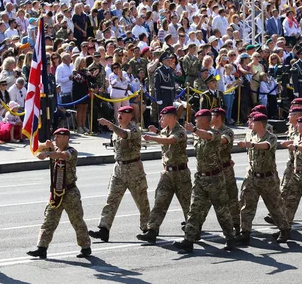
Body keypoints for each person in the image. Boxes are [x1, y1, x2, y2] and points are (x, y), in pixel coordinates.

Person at [173, 109, 235, 253]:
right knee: (194, 209)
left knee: (222, 210)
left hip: (215, 179)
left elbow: (209, 136)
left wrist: (194, 130)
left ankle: (230, 237)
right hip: (201, 178)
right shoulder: (197, 135)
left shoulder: (215, 133)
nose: (195, 121)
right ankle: (189, 240)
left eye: (197, 119)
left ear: (205, 120)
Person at [26, 128, 92, 259]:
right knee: (49, 220)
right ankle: (41, 248)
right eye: (55, 137)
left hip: (70, 192)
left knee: (77, 220)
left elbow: (63, 156)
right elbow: (36, 149)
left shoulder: (72, 151)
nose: (55, 139)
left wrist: (48, 154)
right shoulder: (52, 149)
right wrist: (46, 145)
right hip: (56, 191)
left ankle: (85, 247)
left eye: (58, 137)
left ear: (66, 138)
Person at [89, 106, 150, 242]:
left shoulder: (134, 129)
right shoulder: (116, 130)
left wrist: (110, 125)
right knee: (111, 200)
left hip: (134, 169)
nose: (119, 115)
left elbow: (125, 134)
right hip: (119, 169)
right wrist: (113, 127)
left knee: (142, 201)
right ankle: (104, 229)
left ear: (130, 116)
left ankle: (148, 229)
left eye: (123, 113)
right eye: (119, 113)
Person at [138, 106, 191, 244]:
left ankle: (192, 231)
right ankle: (152, 230)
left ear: (172, 117)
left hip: (181, 173)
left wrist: (152, 137)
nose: (161, 119)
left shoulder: (181, 131)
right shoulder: (164, 131)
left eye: (163, 116)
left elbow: (170, 140)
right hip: (167, 173)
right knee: (159, 202)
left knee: (187, 205)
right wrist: (156, 133)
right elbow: (164, 136)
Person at [237, 113, 290, 245]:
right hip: (252, 177)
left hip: (267, 178)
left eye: (253, 122)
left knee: (274, 206)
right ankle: (245, 232)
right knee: (247, 206)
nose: (250, 124)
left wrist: (252, 145)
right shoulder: (253, 136)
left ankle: (284, 230)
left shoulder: (270, 137)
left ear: (260, 124)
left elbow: (266, 145)